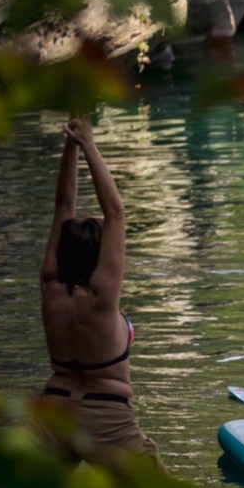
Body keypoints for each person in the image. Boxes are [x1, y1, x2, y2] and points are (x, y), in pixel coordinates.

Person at [36, 116, 156, 465]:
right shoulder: (102, 298)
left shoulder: (49, 286)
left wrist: (71, 145)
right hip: (109, 421)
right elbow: (115, 213)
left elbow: (63, 205)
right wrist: (89, 144)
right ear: (98, 258)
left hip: (53, 415)